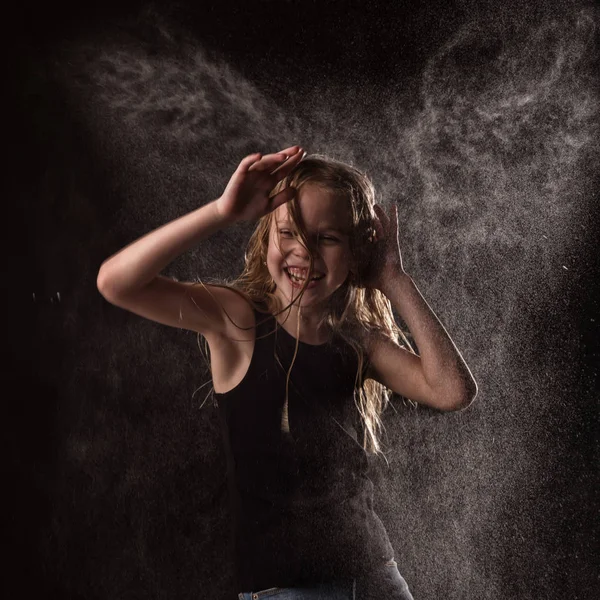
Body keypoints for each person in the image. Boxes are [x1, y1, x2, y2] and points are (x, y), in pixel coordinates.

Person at [97, 145, 478, 599]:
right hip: (282, 592)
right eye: (289, 233)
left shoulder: (356, 339)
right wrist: (221, 212)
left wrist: (394, 279)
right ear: (266, 237)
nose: (304, 252)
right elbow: (116, 283)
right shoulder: (237, 320)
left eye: (327, 238)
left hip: (375, 578)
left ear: (356, 251)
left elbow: (452, 390)